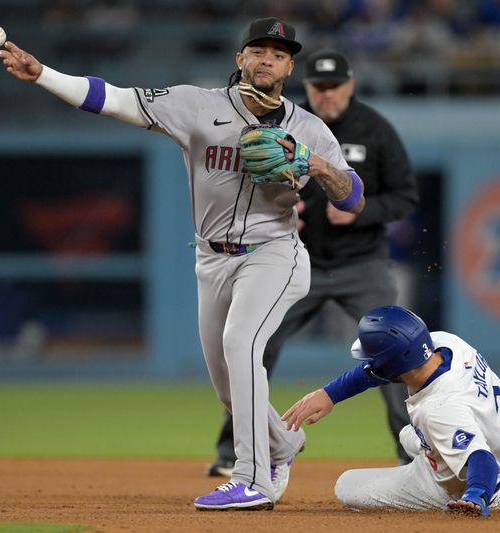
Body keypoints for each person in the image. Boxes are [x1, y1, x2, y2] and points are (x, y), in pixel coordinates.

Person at [0, 17, 365, 511]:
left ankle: (251, 479)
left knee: (241, 344)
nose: (267, 60)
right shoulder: (197, 104)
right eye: (258, 50)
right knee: (228, 387)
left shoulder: (309, 129)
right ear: (240, 59)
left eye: (278, 54)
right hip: (211, 260)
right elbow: (116, 98)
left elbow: (352, 199)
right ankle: (283, 444)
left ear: (289, 66)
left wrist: (314, 164)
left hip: (274, 254)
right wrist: (43, 73)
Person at [207, 48, 418, 477]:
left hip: (363, 267)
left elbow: (406, 196)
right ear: (309, 88)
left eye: (335, 85)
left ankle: (411, 454)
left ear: (350, 85)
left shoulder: (375, 130)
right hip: (297, 262)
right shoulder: (289, 125)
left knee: (399, 352)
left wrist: (364, 210)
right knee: (251, 347)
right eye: (319, 87)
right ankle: (234, 452)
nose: (327, 94)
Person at [282, 306, 500, 516]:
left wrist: (476, 496)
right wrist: (330, 394)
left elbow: (480, 457)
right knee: (408, 435)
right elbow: (380, 369)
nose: (371, 364)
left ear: (393, 365)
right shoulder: (447, 344)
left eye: (375, 359)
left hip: (476, 475)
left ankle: (497, 495)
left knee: (346, 486)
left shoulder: (438, 409)